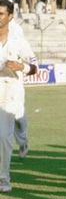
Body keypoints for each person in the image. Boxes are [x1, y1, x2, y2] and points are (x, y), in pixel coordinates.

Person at [0, 0, 38, 193]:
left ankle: (3, 179)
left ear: (10, 17)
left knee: (5, 136)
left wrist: (21, 66)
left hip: (11, 89)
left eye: (1, 14)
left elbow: (34, 66)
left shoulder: (18, 40)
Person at [8, 19, 32, 158]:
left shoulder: (16, 29)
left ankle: (22, 142)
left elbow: (27, 54)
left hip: (14, 79)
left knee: (18, 116)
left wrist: (23, 67)